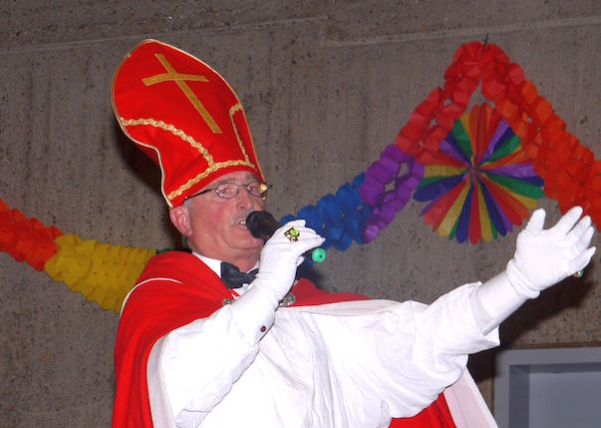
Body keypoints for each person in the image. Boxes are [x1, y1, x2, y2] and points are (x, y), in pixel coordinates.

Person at [111, 40, 596, 428]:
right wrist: (264, 290)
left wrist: (516, 283)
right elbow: (179, 388)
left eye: (252, 188)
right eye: (222, 191)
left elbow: (420, 341)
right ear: (182, 219)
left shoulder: (308, 312)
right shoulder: (161, 301)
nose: (246, 202)